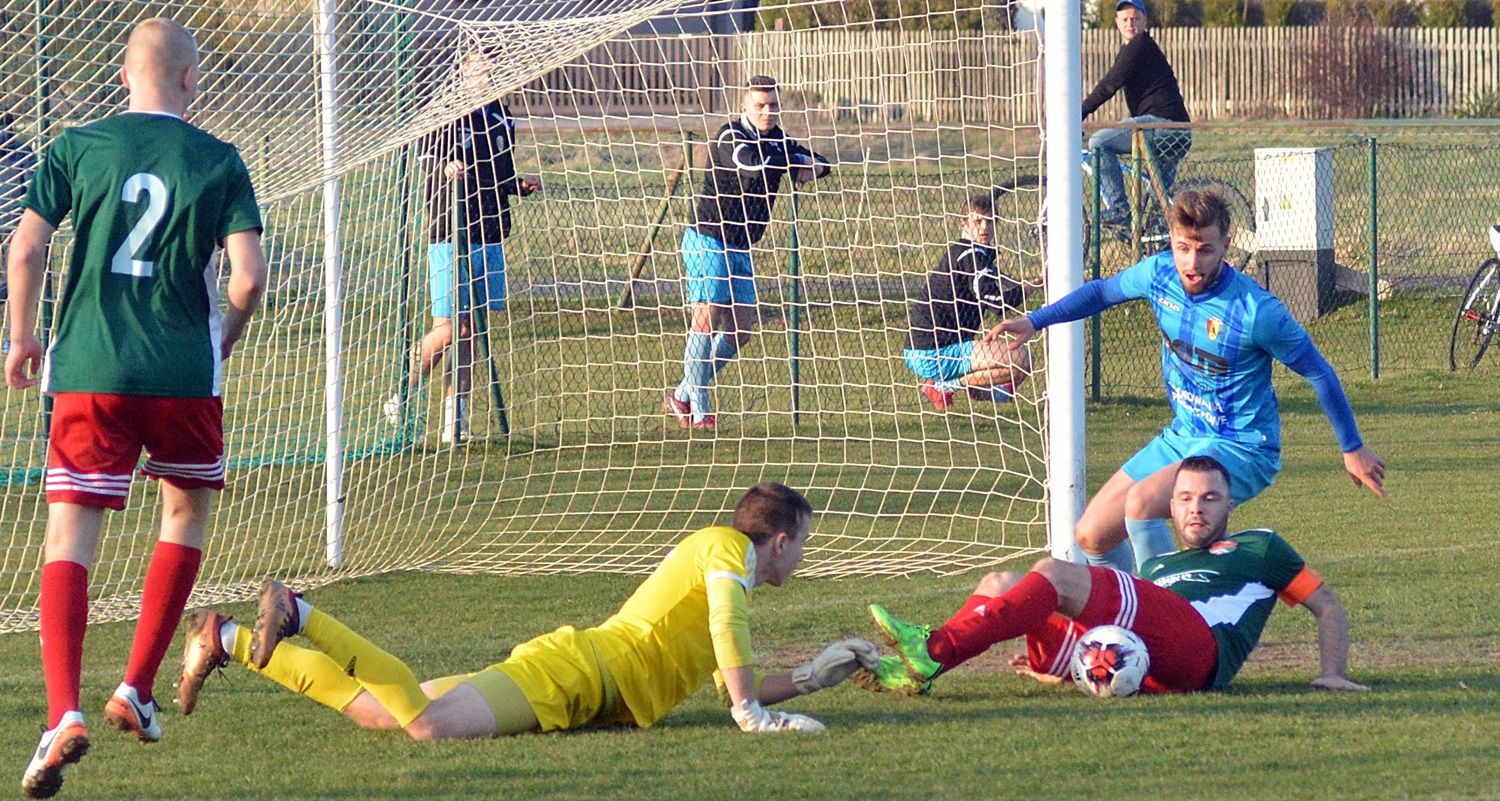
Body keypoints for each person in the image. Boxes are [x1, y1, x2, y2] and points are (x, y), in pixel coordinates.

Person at [5, 18, 267, 799]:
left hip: (88, 368)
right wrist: (224, 336)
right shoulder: (219, 159)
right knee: (183, 514)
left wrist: (21, 336)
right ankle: (137, 687)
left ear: (124, 75)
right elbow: (248, 278)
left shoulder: (76, 147)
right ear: (191, 81)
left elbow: (24, 249)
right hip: (184, 372)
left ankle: (61, 712)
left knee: (70, 530)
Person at [175, 482, 879, 738]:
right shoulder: (729, 548)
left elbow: (734, 672)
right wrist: (750, 713)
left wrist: (814, 675)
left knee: (378, 709)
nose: (804, 559)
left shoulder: (733, 572)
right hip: (577, 675)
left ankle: (229, 636)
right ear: (779, 538)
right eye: (804, 545)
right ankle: (300, 613)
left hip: (584, 677)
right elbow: (729, 643)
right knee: (424, 726)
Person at [985, 189, 1385, 574]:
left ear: (1226, 245)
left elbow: (1318, 371)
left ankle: (1165, 622)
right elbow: (1102, 292)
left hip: (1243, 446)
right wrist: (1036, 320)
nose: (1192, 261)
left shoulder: (1256, 312)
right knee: (1091, 536)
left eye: (1205, 249)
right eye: (1183, 247)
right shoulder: (1159, 275)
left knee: (1141, 504)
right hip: (1184, 435)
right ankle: (1128, 619)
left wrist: (1352, 446)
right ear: (1172, 241)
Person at [858, 455, 1368, 696]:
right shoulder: (1159, 567)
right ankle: (918, 672)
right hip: (1140, 658)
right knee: (1002, 584)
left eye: (1211, 499)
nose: (1197, 509)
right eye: (1186, 499)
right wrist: (1064, 665)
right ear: (1171, 507)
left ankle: (935, 648)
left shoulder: (1261, 546)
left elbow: (1327, 605)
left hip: (1200, 652)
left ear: (1230, 503)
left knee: (1053, 574)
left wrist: (1334, 672)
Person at [383, 49, 541, 444]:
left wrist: (518, 186)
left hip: (489, 232)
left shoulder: (503, 117)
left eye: (494, 69)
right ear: (464, 72)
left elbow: (499, 174)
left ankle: (457, 419)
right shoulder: (446, 112)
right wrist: (445, 167)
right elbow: (428, 160)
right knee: (451, 327)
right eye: (481, 68)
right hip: (450, 231)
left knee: (470, 329)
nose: (489, 75)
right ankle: (402, 393)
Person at [663, 75, 830, 430]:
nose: (768, 111)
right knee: (706, 319)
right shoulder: (729, 135)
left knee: (741, 332)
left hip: (741, 245)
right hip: (708, 238)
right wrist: (791, 163)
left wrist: (801, 164)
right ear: (744, 107)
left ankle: (682, 393)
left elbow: (820, 164)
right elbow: (751, 167)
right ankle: (699, 412)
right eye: (760, 106)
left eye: (773, 105)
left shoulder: (778, 139)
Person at [904, 193, 1032, 411]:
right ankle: (945, 386)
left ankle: (988, 392)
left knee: (1018, 363)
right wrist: (1032, 286)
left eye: (990, 221)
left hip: (929, 348)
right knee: (1022, 359)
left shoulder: (972, 253)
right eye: (978, 221)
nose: (985, 227)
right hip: (932, 352)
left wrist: (1034, 281)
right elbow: (998, 303)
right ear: (964, 223)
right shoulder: (968, 256)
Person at [1083, 0, 1192, 230]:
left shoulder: (1140, 44)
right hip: (1179, 132)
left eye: (1135, 19)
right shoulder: (1136, 49)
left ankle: (1119, 208)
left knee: (1099, 143)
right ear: (1117, 22)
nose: (1130, 24)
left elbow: (1108, 85)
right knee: (1159, 207)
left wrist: (1077, 113)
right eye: (1125, 19)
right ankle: (1160, 241)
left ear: (1144, 21)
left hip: (1162, 127)